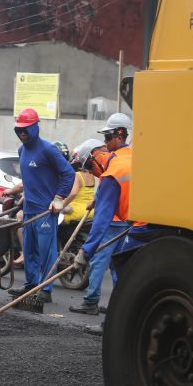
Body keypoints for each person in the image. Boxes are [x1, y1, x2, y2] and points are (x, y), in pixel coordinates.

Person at [7, 108, 75, 303]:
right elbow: (30, 179)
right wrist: (23, 197)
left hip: (46, 212)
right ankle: (30, 285)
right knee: (29, 250)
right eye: (19, 130)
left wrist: (59, 197)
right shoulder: (21, 151)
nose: (22, 134)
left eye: (26, 130)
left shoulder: (48, 150)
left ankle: (45, 290)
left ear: (35, 127)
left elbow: (69, 173)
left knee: (46, 251)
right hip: (29, 211)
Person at [69, 113, 133, 315]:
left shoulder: (112, 172)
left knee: (102, 263)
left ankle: (98, 307)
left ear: (120, 135)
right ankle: (118, 310)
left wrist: (85, 252)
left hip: (121, 226)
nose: (90, 171)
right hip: (136, 226)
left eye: (107, 138)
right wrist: (98, 199)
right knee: (120, 270)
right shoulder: (132, 157)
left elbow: (102, 220)